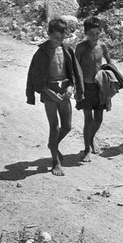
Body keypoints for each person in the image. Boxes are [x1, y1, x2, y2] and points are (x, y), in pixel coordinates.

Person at [26, 18, 84, 176]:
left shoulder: (66, 49)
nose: (59, 40)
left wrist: (72, 87)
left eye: (62, 37)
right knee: (55, 126)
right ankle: (55, 161)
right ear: (48, 34)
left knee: (67, 126)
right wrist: (47, 92)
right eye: (56, 37)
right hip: (49, 91)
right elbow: (36, 77)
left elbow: (72, 71)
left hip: (65, 89)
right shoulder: (42, 53)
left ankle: (53, 145)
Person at [74, 16, 113, 162]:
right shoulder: (81, 47)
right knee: (88, 119)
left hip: (100, 87)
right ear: (85, 32)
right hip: (86, 87)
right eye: (91, 34)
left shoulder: (102, 46)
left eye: (97, 34)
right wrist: (76, 86)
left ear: (100, 32)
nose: (94, 37)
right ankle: (86, 149)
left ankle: (90, 138)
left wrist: (114, 80)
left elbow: (109, 62)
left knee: (99, 118)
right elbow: (75, 66)